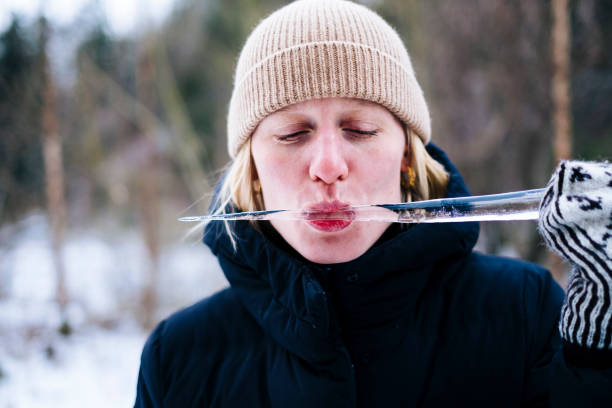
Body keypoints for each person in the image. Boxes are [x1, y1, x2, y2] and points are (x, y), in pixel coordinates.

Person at [134, 1, 612, 406]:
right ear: (253, 171)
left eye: (359, 130)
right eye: (292, 134)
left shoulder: (524, 313)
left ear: (407, 156)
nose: (327, 165)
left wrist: (598, 359)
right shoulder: (178, 359)